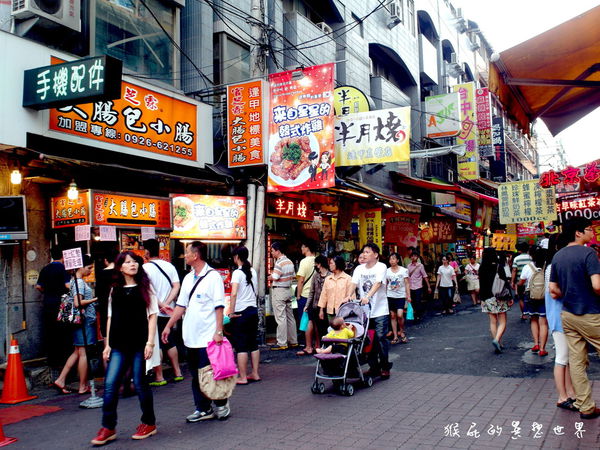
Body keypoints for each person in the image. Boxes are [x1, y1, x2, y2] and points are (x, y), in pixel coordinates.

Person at [91, 252, 158, 445]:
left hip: (140, 343)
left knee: (140, 383)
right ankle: (108, 427)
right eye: (128, 262)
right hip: (118, 344)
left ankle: (149, 422)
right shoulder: (115, 290)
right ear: (120, 267)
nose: (132, 265)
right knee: (111, 384)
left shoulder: (146, 288)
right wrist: (107, 345)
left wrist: (150, 342)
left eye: (134, 261)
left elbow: (152, 315)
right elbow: (110, 317)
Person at [161, 241, 230, 422]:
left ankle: (221, 402)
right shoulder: (188, 278)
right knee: (195, 375)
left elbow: (219, 307)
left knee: (208, 373)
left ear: (196, 255)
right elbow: (181, 305)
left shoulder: (213, 277)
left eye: (187, 252)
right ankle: (203, 408)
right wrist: (168, 326)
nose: (185, 256)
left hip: (207, 337)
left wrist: (219, 332)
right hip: (190, 336)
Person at [550, 217, 600, 419]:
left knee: (577, 362)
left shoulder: (558, 256)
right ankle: (585, 406)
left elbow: (553, 289)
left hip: (568, 315)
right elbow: (597, 285)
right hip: (590, 313)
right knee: (578, 362)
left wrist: (571, 292)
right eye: (589, 229)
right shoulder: (589, 253)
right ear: (578, 233)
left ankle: (585, 406)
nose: (592, 232)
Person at [53, 254, 97, 395]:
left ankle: (61, 379)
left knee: (77, 352)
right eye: (89, 268)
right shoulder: (79, 283)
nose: (90, 271)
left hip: (79, 322)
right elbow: (78, 303)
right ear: (81, 267)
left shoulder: (73, 281)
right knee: (83, 353)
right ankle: (83, 386)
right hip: (84, 321)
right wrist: (96, 299)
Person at [347, 243, 392, 379]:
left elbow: (378, 283)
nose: (364, 254)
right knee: (367, 340)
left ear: (376, 254)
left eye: (367, 252)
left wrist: (367, 296)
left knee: (380, 338)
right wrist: (349, 295)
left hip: (380, 310)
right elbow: (353, 283)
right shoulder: (359, 269)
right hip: (365, 311)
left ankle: (385, 366)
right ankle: (374, 367)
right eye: (363, 252)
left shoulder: (381, 266)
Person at [143, 239, 183, 386]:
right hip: (169, 311)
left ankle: (159, 377)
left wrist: (160, 304)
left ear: (147, 252)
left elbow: (148, 290)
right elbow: (176, 286)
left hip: (154, 312)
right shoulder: (169, 266)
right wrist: (167, 303)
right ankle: (178, 372)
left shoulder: (145, 268)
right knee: (170, 341)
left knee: (156, 342)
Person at [544, 234, 577, 412]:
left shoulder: (551, 266)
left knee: (569, 358)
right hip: (559, 317)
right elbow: (555, 292)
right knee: (562, 358)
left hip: (562, 316)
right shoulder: (552, 267)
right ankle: (562, 396)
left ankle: (570, 393)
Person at [228, 246, 260, 384]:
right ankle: (255, 373)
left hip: (241, 313)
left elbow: (234, 293)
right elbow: (256, 292)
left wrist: (231, 311)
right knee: (253, 344)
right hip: (253, 310)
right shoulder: (252, 271)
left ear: (236, 257)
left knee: (241, 345)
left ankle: (242, 376)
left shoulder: (237, 273)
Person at [36, 246, 71, 369]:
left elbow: (38, 286)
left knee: (51, 333)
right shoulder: (64, 269)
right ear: (63, 256)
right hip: (62, 304)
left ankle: (53, 361)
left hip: (48, 304)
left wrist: (48, 291)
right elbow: (68, 286)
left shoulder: (45, 269)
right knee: (64, 333)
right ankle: (64, 362)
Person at [479, 248, 512, 353]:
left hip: (487, 297)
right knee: (502, 321)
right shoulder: (499, 267)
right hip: (500, 297)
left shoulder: (482, 268)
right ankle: (497, 340)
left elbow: (481, 285)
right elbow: (505, 283)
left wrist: (482, 299)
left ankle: (498, 342)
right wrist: (510, 296)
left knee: (493, 322)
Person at [519, 248, 549, 357]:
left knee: (533, 320)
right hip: (544, 296)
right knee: (543, 322)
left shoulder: (528, 267)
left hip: (530, 296)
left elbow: (521, 282)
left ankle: (536, 344)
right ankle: (542, 349)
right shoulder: (547, 267)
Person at [297, 255, 330, 355]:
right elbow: (312, 291)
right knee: (313, 323)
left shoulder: (330, 276)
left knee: (322, 328)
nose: (315, 265)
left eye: (316, 263)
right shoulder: (316, 275)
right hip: (314, 305)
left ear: (319, 264)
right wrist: (307, 305)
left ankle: (320, 346)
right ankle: (315, 346)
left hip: (325, 306)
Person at [268, 241, 298, 351]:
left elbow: (275, 276)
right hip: (288, 291)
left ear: (277, 251)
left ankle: (282, 342)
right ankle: (293, 341)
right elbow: (294, 276)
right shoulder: (289, 262)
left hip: (279, 291)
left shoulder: (279, 263)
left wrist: (269, 277)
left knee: (280, 317)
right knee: (290, 316)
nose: (271, 253)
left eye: (272, 251)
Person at [296, 240, 316, 353]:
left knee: (306, 320)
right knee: (314, 320)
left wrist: (298, 295)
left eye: (302, 246)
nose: (301, 249)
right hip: (316, 295)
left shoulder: (304, 262)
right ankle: (316, 344)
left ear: (307, 248)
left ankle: (308, 345)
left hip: (306, 295)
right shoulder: (318, 260)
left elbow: (301, 280)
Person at [386, 253, 411, 344]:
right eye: (390, 259)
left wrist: (408, 296)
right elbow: (386, 283)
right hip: (390, 295)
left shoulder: (404, 270)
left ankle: (402, 331)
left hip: (400, 295)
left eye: (393, 259)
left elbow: (407, 283)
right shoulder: (387, 271)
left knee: (400, 315)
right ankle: (396, 336)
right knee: (392, 316)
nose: (391, 261)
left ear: (397, 260)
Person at [95, 247, 119, 341]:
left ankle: (107, 353)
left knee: (106, 331)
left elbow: (98, 292)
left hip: (105, 306)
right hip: (118, 305)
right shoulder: (120, 272)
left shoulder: (101, 273)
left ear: (106, 260)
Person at [318, 256, 352, 321]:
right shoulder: (328, 279)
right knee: (331, 330)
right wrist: (321, 310)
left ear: (337, 264)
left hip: (344, 312)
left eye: (331, 263)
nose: (329, 265)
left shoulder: (348, 279)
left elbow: (351, 296)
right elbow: (323, 295)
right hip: (330, 311)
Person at [407, 251, 431, 321]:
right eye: (412, 256)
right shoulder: (408, 266)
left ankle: (417, 315)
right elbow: (407, 276)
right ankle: (414, 313)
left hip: (418, 286)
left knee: (418, 301)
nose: (413, 257)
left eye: (415, 256)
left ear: (417, 257)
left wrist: (428, 286)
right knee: (412, 301)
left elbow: (425, 276)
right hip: (411, 286)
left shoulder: (420, 266)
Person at [512, 242, 532, 320]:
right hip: (530, 281)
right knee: (531, 298)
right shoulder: (531, 257)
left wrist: (512, 281)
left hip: (520, 281)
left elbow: (514, 270)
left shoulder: (516, 258)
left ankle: (524, 314)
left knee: (521, 298)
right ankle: (531, 314)